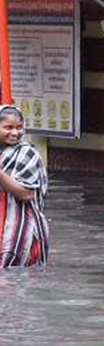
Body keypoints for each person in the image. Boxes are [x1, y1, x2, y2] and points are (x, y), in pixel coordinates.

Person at [0, 104, 49, 267]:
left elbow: (27, 194)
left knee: (15, 281)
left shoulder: (27, 153)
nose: (15, 132)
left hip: (21, 233)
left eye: (19, 127)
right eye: (8, 127)